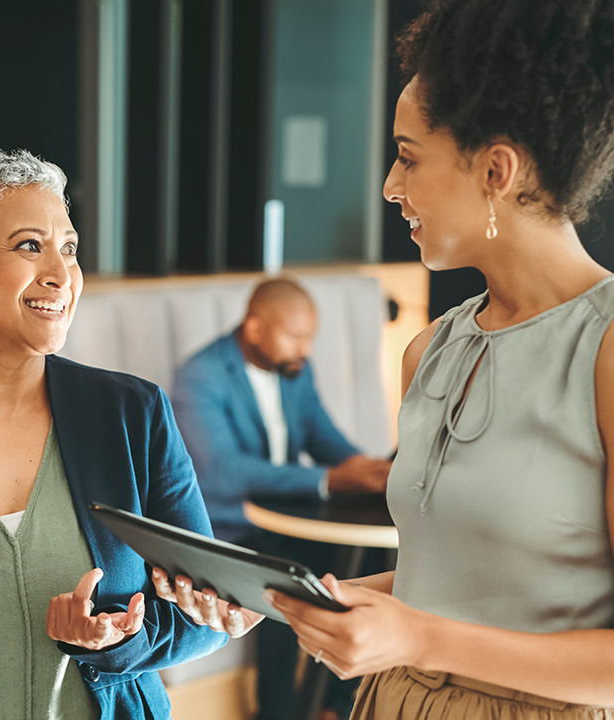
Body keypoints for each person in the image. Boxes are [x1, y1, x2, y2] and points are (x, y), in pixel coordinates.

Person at [156, 0, 614, 717]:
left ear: (496, 169)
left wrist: (419, 640)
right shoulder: (428, 351)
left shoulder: (605, 346)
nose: (388, 188)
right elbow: (448, 583)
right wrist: (268, 600)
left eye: (407, 156)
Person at [0, 149, 226, 720]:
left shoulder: (133, 413)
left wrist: (120, 641)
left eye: (68, 248)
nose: (60, 273)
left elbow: (208, 610)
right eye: (29, 246)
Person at [170, 277, 391, 720]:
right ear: (254, 329)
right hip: (231, 528)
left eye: (310, 337)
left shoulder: (294, 368)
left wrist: (368, 471)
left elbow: (320, 433)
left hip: (286, 522)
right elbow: (224, 471)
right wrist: (330, 479)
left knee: (366, 562)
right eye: (296, 337)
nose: (305, 349)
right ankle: (277, 713)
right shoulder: (201, 375)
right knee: (283, 581)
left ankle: (337, 705)